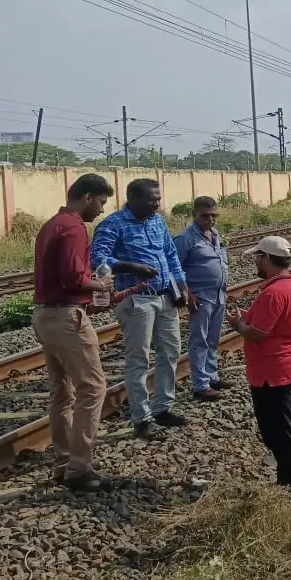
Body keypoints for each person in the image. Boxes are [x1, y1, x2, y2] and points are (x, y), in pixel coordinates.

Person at [31, 174, 116, 491]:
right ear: (88, 197)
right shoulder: (74, 227)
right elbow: (72, 278)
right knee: (93, 387)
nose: (101, 211)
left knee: (62, 392)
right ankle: (79, 469)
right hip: (66, 318)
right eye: (101, 203)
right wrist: (101, 285)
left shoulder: (52, 224)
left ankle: (65, 460)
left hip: (45, 314)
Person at [91, 178, 190, 439]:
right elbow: (98, 259)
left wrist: (181, 286)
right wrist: (131, 266)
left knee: (170, 352)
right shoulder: (112, 224)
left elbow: (170, 254)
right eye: (151, 199)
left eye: (158, 198)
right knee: (139, 359)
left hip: (164, 297)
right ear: (132, 198)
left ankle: (162, 407)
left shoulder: (157, 221)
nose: (157, 203)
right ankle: (141, 418)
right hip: (137, 300)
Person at [226, 236, 291, 496]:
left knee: (278, 433)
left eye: (257, 257)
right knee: (285, 427)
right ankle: (288, 478)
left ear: (266, 258)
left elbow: (259, 333)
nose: (255, 262)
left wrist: (238, 325)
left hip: (274, 374)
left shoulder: (274, 293)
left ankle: (290, 486)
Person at [173, 197, 230, 401]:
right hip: (200, 297)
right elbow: (174, 268)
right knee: (199, 340)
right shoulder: (185, 238)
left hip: (218, 294)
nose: (211, 219)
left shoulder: (214, 234)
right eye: (205, 216)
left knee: (213, 339)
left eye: (214, 215)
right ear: (194, 215)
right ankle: (200, 385)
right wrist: (187, 293)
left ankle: (212, 376)